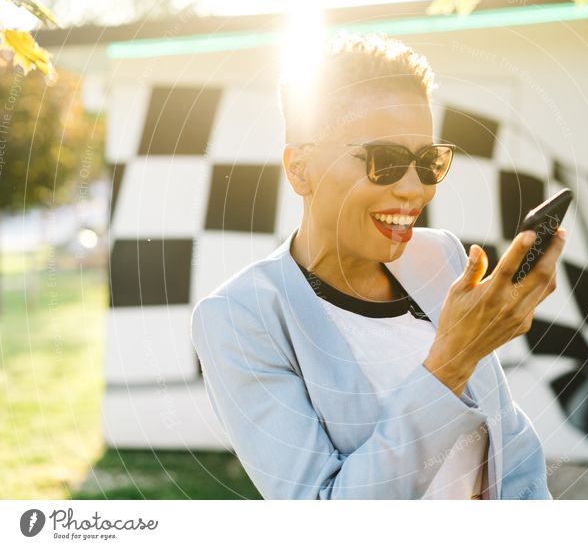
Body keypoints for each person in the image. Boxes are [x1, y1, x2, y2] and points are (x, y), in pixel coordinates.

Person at [189, 31, 566, 500]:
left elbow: (511, 447)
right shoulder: (241, 318)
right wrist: (454, 360)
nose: (415, 190)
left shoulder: (442, 258)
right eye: (384, 161)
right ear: (300, 169)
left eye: (429, 162)